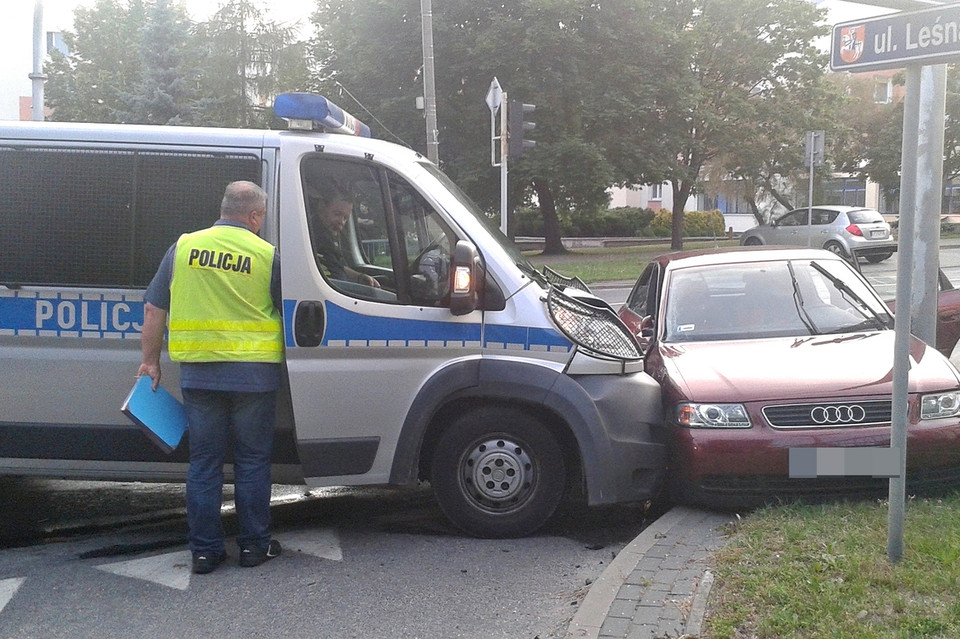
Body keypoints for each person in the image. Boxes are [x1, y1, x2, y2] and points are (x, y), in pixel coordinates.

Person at [138, 181, 284, 575]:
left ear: (223, 208)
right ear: (255, 216)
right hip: (254, 377)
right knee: (252, 462)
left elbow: (154, 308)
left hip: (199, 375)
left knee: (204, 464)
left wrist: (150, 362)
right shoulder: (267, 255)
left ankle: (204, 552)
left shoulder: (182, 247)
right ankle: (254, 547)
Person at [310, 182, 380, 288]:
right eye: (337, 214)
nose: (341, 222)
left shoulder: (327, 235)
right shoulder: (312, 235)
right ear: (322, 205)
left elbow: (335, 265)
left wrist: (359, 277)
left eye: (345, 218)